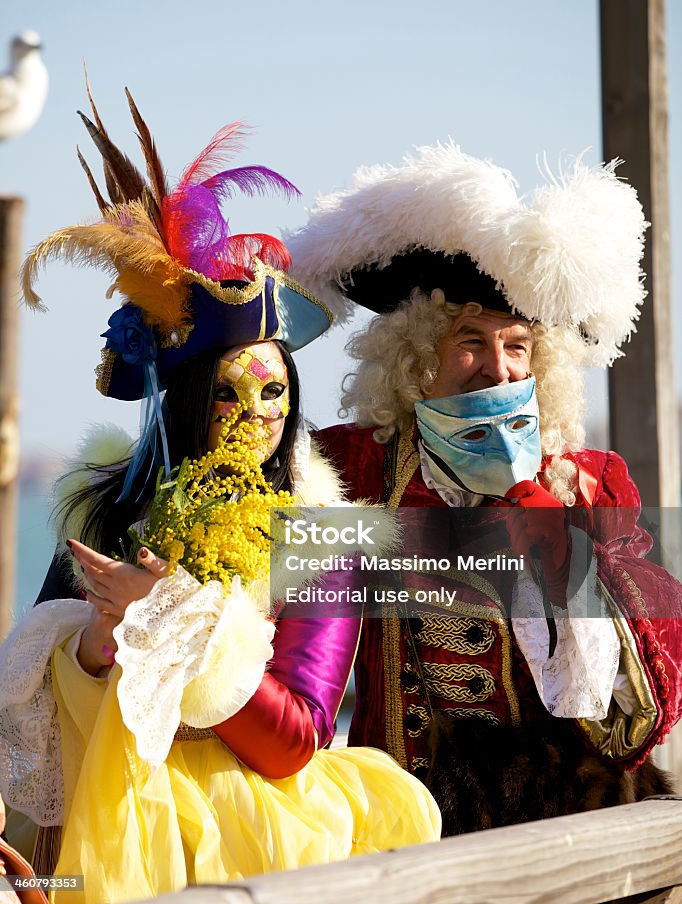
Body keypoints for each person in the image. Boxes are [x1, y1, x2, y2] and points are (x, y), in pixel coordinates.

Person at [0, 91, 440, 902]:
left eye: (274, 394)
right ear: (186, 402)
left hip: (253, 836)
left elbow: (298, 740)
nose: (255, 418)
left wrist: (174, 620)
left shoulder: (321, 537)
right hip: (102, 821)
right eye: (229, 395)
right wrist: (98, 649)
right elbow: (39, 715)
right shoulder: (104, 514)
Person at [286, 140, 682, 832]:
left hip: (574, 832)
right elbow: (247, 486)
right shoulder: (355, 469)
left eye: (518, 345)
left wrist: (540, 522)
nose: (496, 368)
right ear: (415, 357)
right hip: (406, 828)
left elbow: (647, 695)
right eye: (471, 339)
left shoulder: (588, 484)